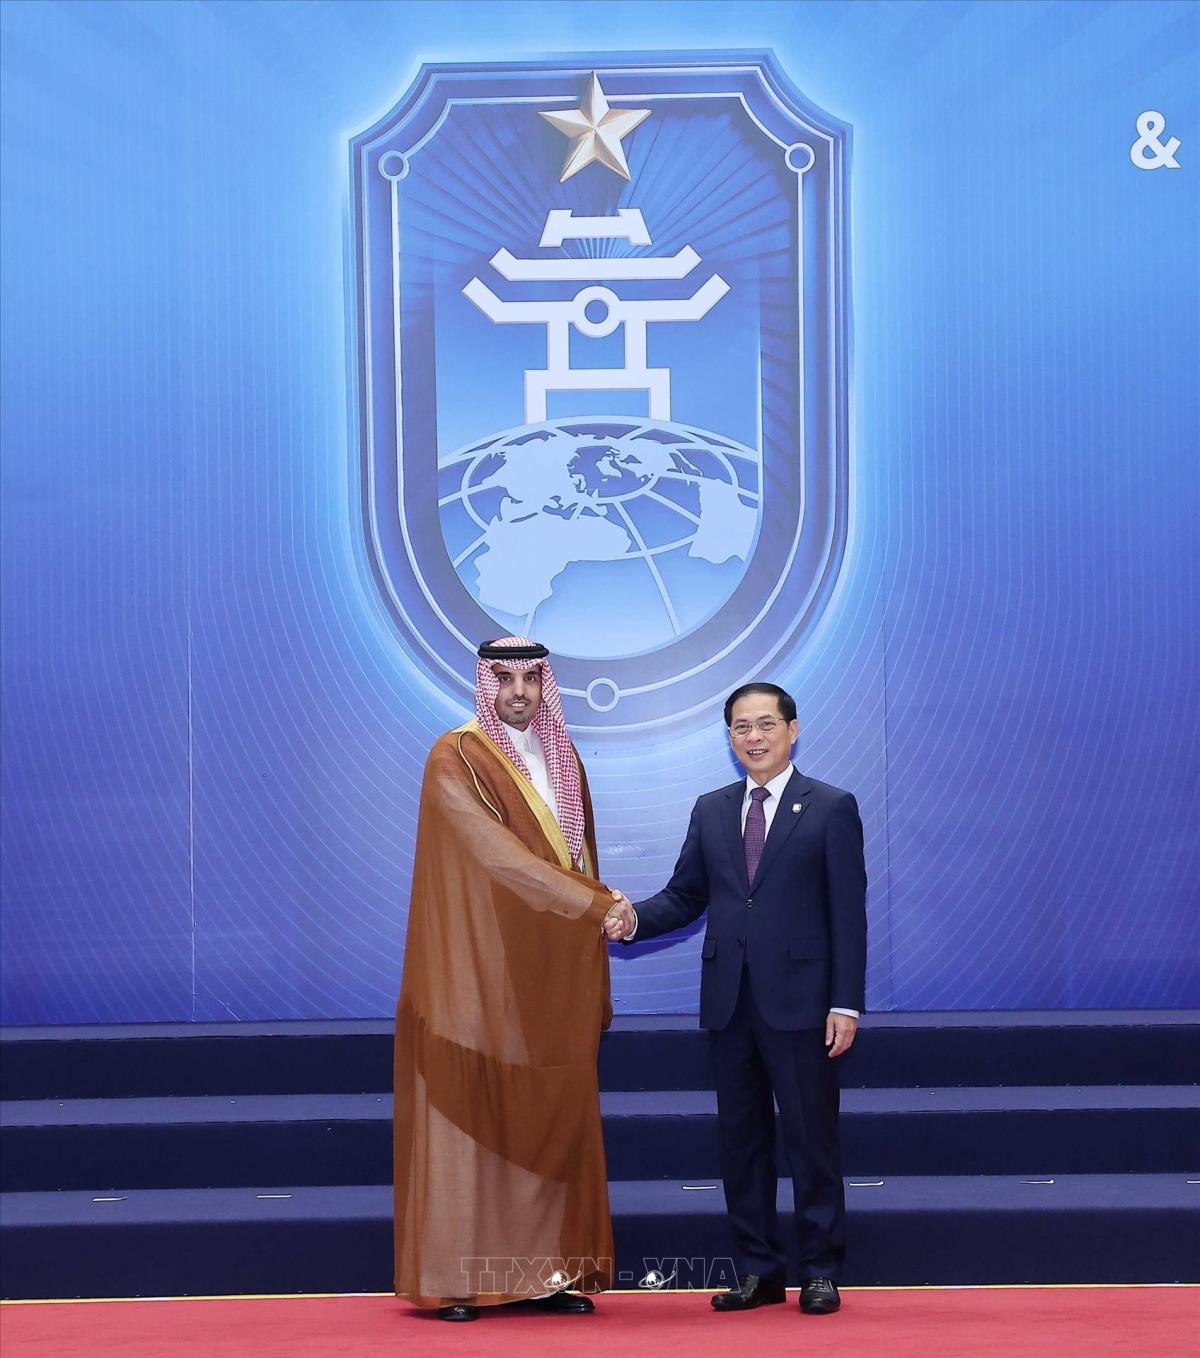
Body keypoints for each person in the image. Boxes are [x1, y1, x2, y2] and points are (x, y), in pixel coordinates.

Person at [604, 682, 867, 1316]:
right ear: (729, 738)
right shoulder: (712, 809)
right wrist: (633, 920)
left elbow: (848, 914)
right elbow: (686, 895)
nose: (754, 737)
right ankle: (758, 1271)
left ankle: (820, 1271)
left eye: (766, 724)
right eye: (742, 727)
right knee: (741, 1142)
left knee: (811, 1139)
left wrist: (845, 1002)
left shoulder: (832, 807)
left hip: (804, 1004)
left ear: (792, 731)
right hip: (729, 1003)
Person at [394, 636, 626, 1322]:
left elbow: (578, 858)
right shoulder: (456, 756)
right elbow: (497, 858)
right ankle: (459, 1279)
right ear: (484, 684)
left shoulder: (564, 757)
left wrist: (592, 913)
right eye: (504, 679)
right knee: (473, 1116)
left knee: (548, 1117)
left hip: (552, 974)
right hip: (478, 971)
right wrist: (597, 905)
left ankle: (546, 1276)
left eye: (530, 679)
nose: (518, 692)